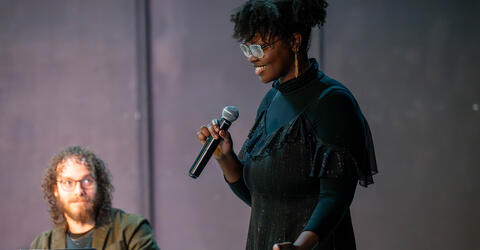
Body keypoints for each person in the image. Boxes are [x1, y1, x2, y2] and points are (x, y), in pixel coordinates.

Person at [196, 0, 377, 249]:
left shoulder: (332, 101)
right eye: (247, 48)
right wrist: (225, 158)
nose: (251, 57)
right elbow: (261, 198)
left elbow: (335, 198)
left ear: (294, 42)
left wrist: (301, 246)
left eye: (259, 47)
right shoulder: (272, 98)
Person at [30, 146, 160, 250]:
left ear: (99, 184)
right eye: (68, 183)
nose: (79, 191)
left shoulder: (130, 229)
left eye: (87, 181)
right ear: (55, 190)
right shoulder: (42, 245)